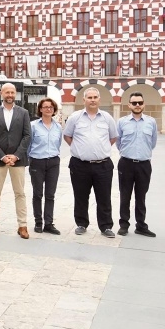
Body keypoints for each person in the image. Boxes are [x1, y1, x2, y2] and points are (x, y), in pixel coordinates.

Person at [63, 87, 118, 238]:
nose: (92, 100)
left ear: (99, 99)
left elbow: (113, 137)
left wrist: (100, 149)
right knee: (80, 196)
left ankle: (106, 226)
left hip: (103, 165)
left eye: (95, 97)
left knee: (104, 197)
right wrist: (79, 149)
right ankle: (81, 224)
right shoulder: (75, 117)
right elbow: (67, 136)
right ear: (84, 100)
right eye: (89, 97)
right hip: (80, 165)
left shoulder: (107, 118)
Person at [0, 83, 31, 239]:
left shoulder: (23, 113)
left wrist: (16, 155)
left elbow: (27, 136)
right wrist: (2, 156)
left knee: (20, 193)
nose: (10, 95)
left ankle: (22, 226)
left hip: (18, 160)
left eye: (12, 92)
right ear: (1, 93)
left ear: (15, 94)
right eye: (7, 92)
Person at [116, 93, 158, 237]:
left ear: (144, 104)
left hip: (144, 165)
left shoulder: (151, 122)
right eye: (134, 103)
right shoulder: (122, 122)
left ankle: (141, 225)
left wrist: (142, 154)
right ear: (129, 105)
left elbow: (152, 142)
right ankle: (124, 225)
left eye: (140, 102)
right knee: (125, 195)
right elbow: (118, 142)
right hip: (126, 163)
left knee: (141, 196)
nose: (137, 105)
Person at [27, 97, 63, 235]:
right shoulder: (33, 126)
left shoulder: (58, 127)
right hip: (37, 161)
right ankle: (38, 222)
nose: (48, 109)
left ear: (54, 110)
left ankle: (49, 223)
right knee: (37, 194)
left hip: (53, 162)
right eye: (45, 107)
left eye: (51, 107)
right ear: (40, 109)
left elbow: (58, 144)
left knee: (50, 194)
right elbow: (29, 144)